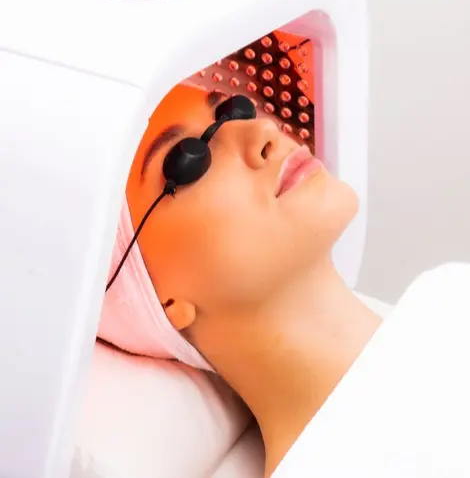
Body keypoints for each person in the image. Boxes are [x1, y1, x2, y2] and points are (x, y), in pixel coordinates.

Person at [98, 83, 470, 478]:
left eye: (235, 109)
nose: (263, 131)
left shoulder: (447, 296)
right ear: (159, 301)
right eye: (188, 159)